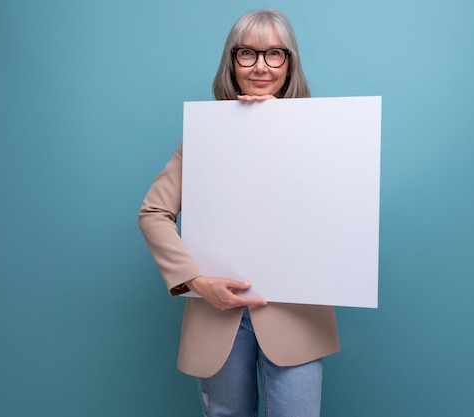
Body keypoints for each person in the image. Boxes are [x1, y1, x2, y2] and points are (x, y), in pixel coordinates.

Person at [138, 8, 339, 417]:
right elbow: (154, 211)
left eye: (274, 54)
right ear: (232, 61)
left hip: (295, 315)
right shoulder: (203, 136)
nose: (261, 66)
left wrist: (274, 125)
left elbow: (337, 209)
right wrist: (194, 281)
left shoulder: (321, 134)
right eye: (247, 53)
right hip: (218, 318)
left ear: (290, 62)